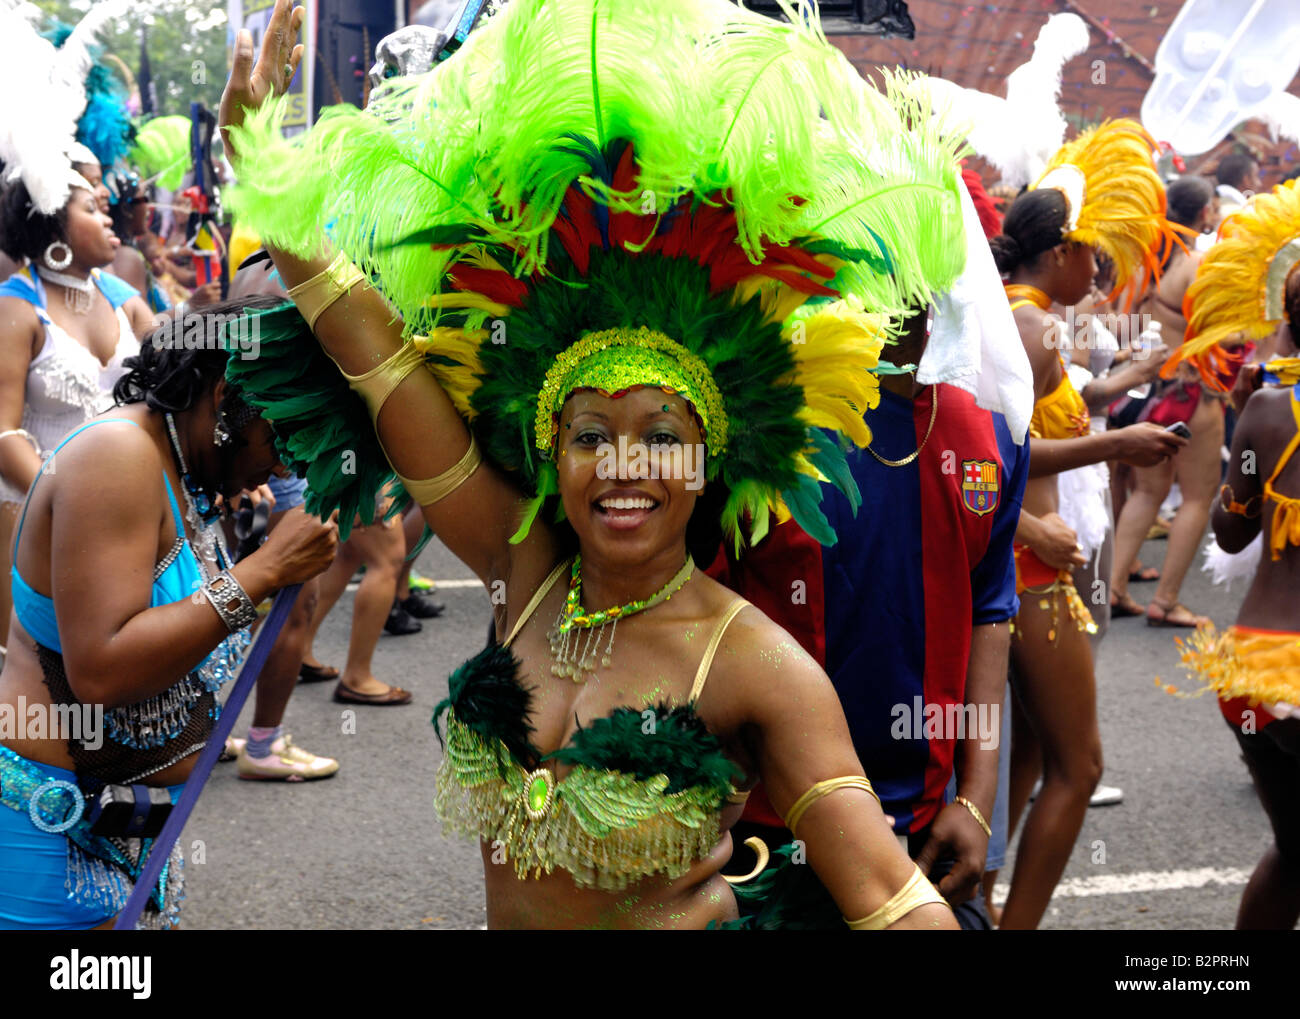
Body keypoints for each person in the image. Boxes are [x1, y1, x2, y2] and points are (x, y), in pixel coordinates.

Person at [222, 0, 970, 929]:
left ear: (708, 462)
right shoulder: (522, 568)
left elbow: (901, 908)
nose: (623, 467)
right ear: (551, 452)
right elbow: (377, 363)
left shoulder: (752, 663)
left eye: (662, 435)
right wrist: (266, 176)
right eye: (587, 435)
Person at [710, 175, 1035, 930]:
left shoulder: (994, 426)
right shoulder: (764, 424)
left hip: (927, 836)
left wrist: (976, 799)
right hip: (772, 837)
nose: (909, 296)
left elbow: (992, 610)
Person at [0, 300, 338, 928]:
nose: (286, 462)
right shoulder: (118, 457)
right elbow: (102, 669)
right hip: (49, 831)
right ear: (226, 395)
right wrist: (262, 572)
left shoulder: (178, 468)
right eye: (281, 433)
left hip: (126, 819)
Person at [990, 120, 1187, 929]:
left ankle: (978, 905)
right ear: (1061, 251)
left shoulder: (1017, 317)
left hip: (1027, 570)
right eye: (1094, 255)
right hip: (1031, 578)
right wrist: (1120, 440)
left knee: (1032, 757)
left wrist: (1127, 390)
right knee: (1081, 764)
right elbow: (984, 457)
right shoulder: (1031, 328)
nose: (1101, 272)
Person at [1169, 176, 1300, 929]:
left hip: (1250, 670)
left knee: (1294, 850)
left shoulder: (1264, 407)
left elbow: (1231, 532)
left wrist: (1251, 431)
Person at [0, 164, 157, 656]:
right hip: (32, 510)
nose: (109, 217)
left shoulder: (123, 301)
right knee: (43, 667)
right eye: (91, 209)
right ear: (53, 230)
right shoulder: (16, 308)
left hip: (125, 509)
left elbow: (178, 388)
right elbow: (2, 431)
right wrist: (65, 501)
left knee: (128, 655)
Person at [1109, 175, 1223, 627]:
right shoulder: (1197, 265)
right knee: (1198, 497)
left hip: (1143, 387)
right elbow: (1226, 334)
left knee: (1149, 492)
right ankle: (1167, 600)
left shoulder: (1145, 261)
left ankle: (1113, 588)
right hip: (1190, 389)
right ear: (1203, 213)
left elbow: (1120, 327)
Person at [1215, 152, 1260, 222]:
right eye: (1256, 176)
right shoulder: (1243, 215)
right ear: (1246, 180)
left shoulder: (1212, 208)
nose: (1259, 183)